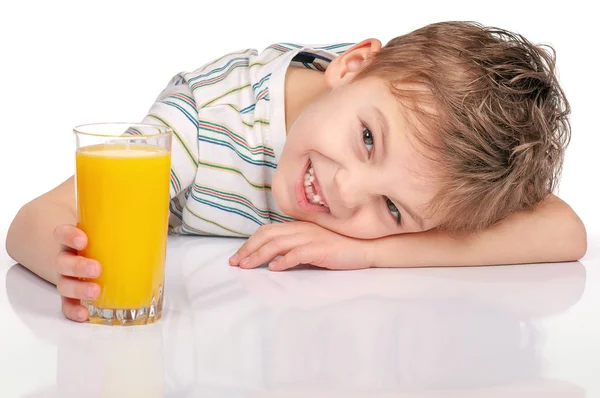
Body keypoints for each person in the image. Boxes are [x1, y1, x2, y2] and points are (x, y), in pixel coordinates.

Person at [5, 21, 587, 322]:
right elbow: (35, 219)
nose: (346, 190)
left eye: (392, 210)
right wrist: (70, 268)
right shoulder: (203, 124)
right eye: (366, 140)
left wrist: (371, 252)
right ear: (352, 66)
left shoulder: (413, 137)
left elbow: (565, 231)